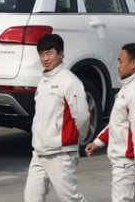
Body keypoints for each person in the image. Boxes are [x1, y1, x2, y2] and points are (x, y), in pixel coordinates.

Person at [85, 43, 135, 202]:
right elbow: (118, 123)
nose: (117, 65)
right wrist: (98, 142)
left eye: (120, 61)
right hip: (132, 165)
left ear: (133, 64)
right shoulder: (130, 87)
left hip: (128, 166)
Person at [24, 33, 91, 202]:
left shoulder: (70, 81)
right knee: (32, 198)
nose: (45, 58)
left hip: (61, 154)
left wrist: (75, 140)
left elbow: (82, 116)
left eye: (49, 53)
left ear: (61, 54)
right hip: (39, 152)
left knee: (70, 199)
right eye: (41, 54)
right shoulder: (43, 82)